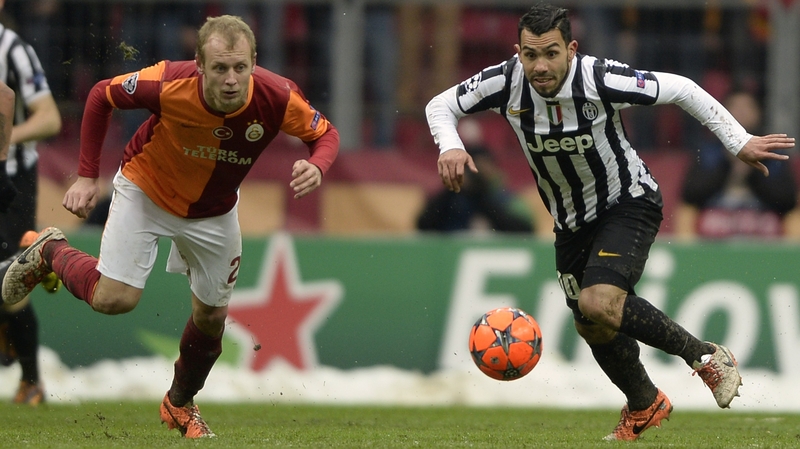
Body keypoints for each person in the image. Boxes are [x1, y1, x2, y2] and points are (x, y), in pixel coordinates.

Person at [425, 3, 794, 441]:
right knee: (590, 322)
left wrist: (739, 141)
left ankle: (708, 358)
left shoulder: (598, 78)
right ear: (517, 51)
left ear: (571, 49)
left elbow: (681, 88)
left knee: (598, 302)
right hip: (570, 222)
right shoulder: (506, 82)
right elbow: (440, 105)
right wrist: (449, 144)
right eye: (530, 54)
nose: (540, 66)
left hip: (628, 200)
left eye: (551, 53)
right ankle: (644, 403)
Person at [2, 15, 339, 438]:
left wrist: (317, 164)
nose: (231, 79)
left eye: (240, 67)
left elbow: (325, 135)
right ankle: (49, 250)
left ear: (254, 62)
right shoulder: (167, 82)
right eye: (219, 68)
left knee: (213, 316)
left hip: (214, 212)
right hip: (147, 190)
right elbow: (98, 96)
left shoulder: (278, 95)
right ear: (198, 63)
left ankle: (179, 403)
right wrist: (87, 175)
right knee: (114, 300)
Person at [0, 1, 62, 406]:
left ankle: (31, 380)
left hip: (11, 182)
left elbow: (50, 118)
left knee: (10, 281)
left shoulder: (12, 50)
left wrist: (4, 138)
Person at [676, 89, 800, 239]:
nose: (741, 113)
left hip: (764, 233)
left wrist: (752, 170)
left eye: (747, 107)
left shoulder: (774, 154)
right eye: (735, 107)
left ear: (758, 113)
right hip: (714, 232)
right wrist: (727, 163)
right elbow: (691, 195)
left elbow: (788, 201)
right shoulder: (708, 151)